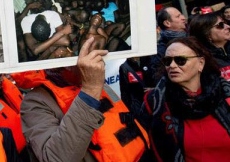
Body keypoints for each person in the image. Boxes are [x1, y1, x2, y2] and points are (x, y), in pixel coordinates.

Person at [14, 37, 148, 162]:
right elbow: (55, 158)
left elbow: (120, 110)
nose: (80, 60)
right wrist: (90, 91)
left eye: (73, 52)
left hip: (139, 154)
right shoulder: (35, 102)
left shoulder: (96, 81)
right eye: (65, 56)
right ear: (54, 68)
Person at [140, 37, 230, 161]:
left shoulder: (225, 95)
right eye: (167, 61)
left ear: (201, 63)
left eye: (180, 60)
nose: (172, 66)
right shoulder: (155, 101)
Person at [149, 7, 187, 81]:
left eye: (181, 15)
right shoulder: (161, 50)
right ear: (167, 23)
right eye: (178, 16)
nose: (183, 18)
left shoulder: (192, 38)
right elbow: (159, 77)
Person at [189, 12, 230, 80]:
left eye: (225, 23)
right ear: (207, 34)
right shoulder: (206, 63)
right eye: (221, 25)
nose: (228, 26)